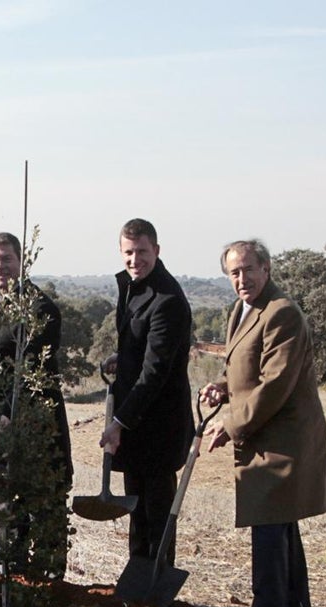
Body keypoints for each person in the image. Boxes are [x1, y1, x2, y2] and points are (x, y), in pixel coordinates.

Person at [201, 239, 326, 607]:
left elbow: (275, 384)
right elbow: (249, 367)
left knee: (268, 517)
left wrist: (229, 424)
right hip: (265, 433)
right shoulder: (243, 310)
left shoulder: (282, 314)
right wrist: (224, 387)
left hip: (282, 437)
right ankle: (293, 606)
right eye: (234, 273)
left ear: (266, 269)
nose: (241, 279)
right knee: (279, 519)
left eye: (248, 270)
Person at [0, 232, 72, 578]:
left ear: (21, 261)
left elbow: (34, 371)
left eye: (6, 259)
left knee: (42, 498)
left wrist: (14, 414)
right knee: (5, 495)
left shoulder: (40, 309)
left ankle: (48, 575)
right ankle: (9, 563)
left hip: (35, 423)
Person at [99, 218, 194, 567]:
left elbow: (155, 371)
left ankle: (156, 583)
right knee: (137, 511)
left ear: (157, 249)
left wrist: (119, 423)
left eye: (141, 251)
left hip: (158, 427)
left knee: (156, 513)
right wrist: (121, 358)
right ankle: (138, 579)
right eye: (128, 251)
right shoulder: (133, 287)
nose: (134, 258)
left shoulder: (166, 299)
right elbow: (141, 347)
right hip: (138, 425)